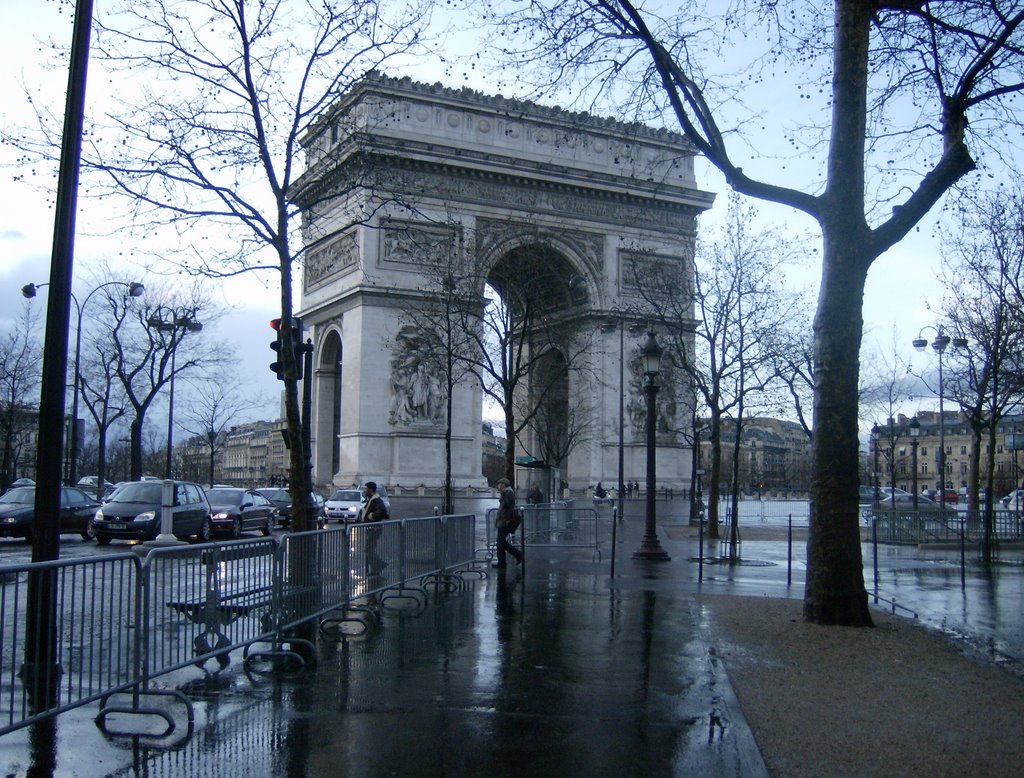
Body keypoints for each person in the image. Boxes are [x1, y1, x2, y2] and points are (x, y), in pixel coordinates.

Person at [360, 481, 389, 575]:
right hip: (371, 528)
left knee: (368, 549)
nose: (364, 491)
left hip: (374, 528)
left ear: (370, 490)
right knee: (369, 549)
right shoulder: (371, 499)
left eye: (366, 489)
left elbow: (383, 512)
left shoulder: (376, 500)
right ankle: (375, 569)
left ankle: (380, 565)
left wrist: (371, 516)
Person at [493, 477, 522, 569]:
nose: (498, 486)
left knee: (500, 542)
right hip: (503, 520)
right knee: (500, 542)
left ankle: (517, 554)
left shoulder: (507, 493)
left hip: (505, 520)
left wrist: (502, 495)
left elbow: (506, 504)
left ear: (503, 485)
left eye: (499, 484)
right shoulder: (507, 492)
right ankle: (502, 562)